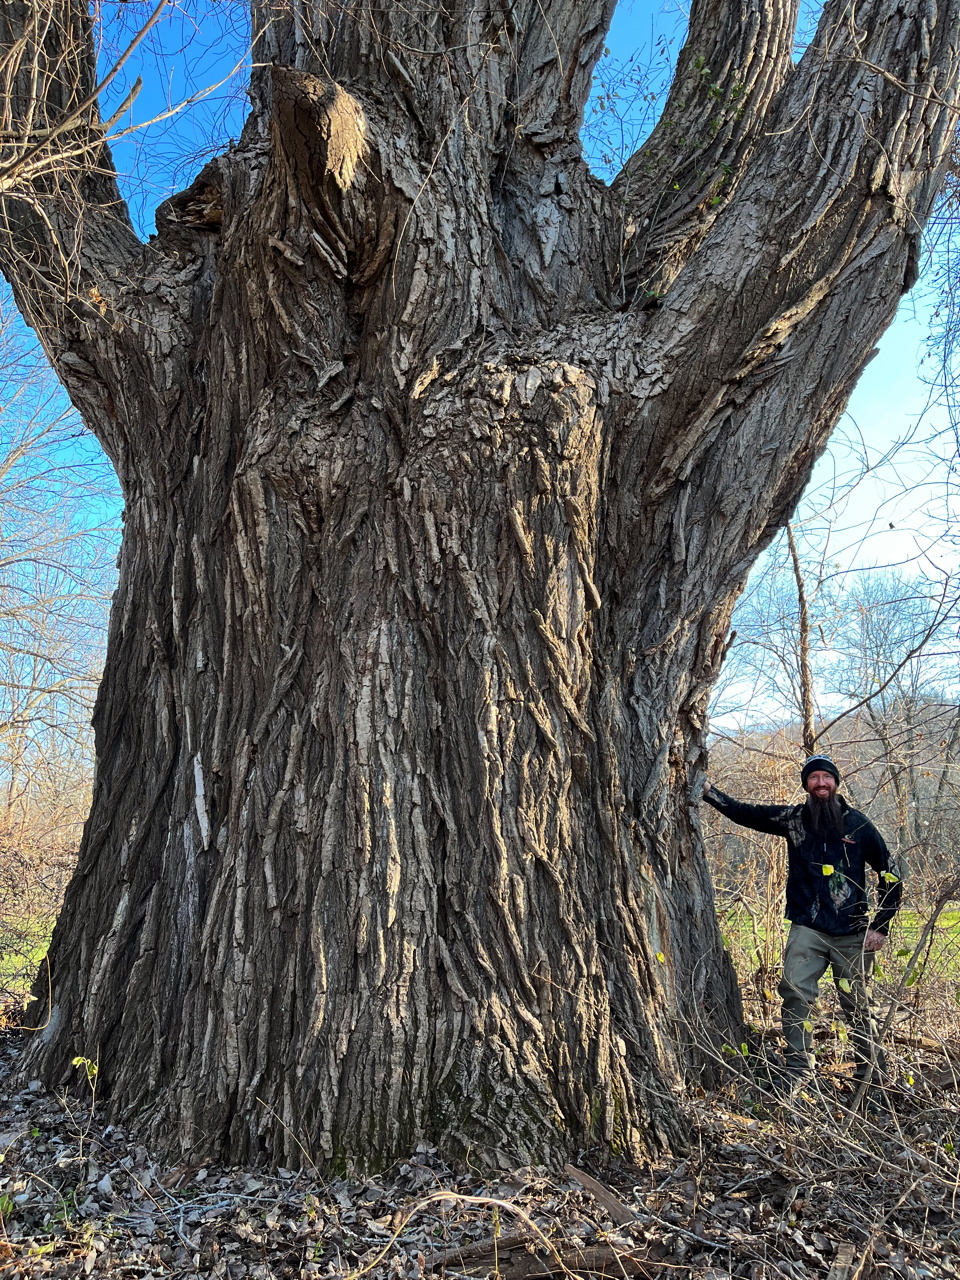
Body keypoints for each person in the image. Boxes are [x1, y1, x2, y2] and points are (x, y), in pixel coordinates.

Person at [703, 755, 902, 1095]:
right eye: (814, 778)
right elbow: (746, 813)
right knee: (794, 993)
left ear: (836, 782)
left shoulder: (858, 825)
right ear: (806, 784)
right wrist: (708, 792)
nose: (821, 783)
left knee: (859, 1005)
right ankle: (799, 1070)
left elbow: (892, 875)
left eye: (826, 777)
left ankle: (872, 1077)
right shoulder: (793, 819)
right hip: (807, 927)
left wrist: (880, 925)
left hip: (853, 931)